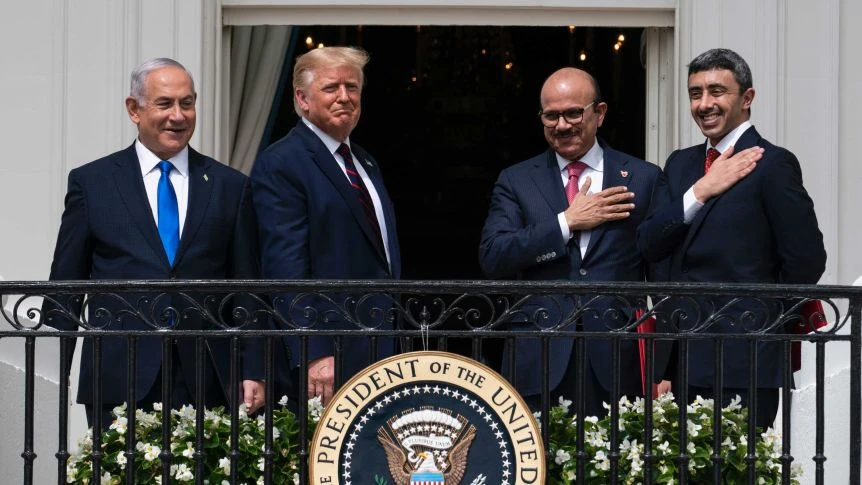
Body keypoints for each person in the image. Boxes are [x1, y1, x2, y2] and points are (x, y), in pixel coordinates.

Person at [44, 58, 265, 427]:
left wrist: (254, 369)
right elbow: (65, 285)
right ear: (134, 109)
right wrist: (49, 377)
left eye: (187, 103)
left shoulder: (230, 186)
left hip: (207, 375)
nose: (178, 116)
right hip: (119, 373)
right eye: (164, 104)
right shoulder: (93, 183)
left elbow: (248, 288)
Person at [636, 48, 826, 429]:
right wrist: (701, 191)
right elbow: (649, 244)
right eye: (695, 93)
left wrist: (761, 319)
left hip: (745, 357)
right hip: (682, 356)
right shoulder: (681, 164)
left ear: (747, 98)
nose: (704, 104)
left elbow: (806, 260)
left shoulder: (772, 164)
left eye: (717, 91)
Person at [479, 67, 670, 417]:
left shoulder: (643, 178)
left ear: (600, 113)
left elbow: (664, 277)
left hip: (617, 357)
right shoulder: (517, 180)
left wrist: (664, 367)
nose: (562, 125)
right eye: (551, 116)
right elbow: (494, 256)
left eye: (573, 113)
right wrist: (566, 222)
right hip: (539, 357)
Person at [251, 46, 401, 406]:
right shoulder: (282, 162)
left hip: (378, 345)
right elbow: (284, 269)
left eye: (353, 87)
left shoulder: (364, 161)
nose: (344, 97)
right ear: (303, 99)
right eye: (331, 87)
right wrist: (313, 351)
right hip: (328, 356)